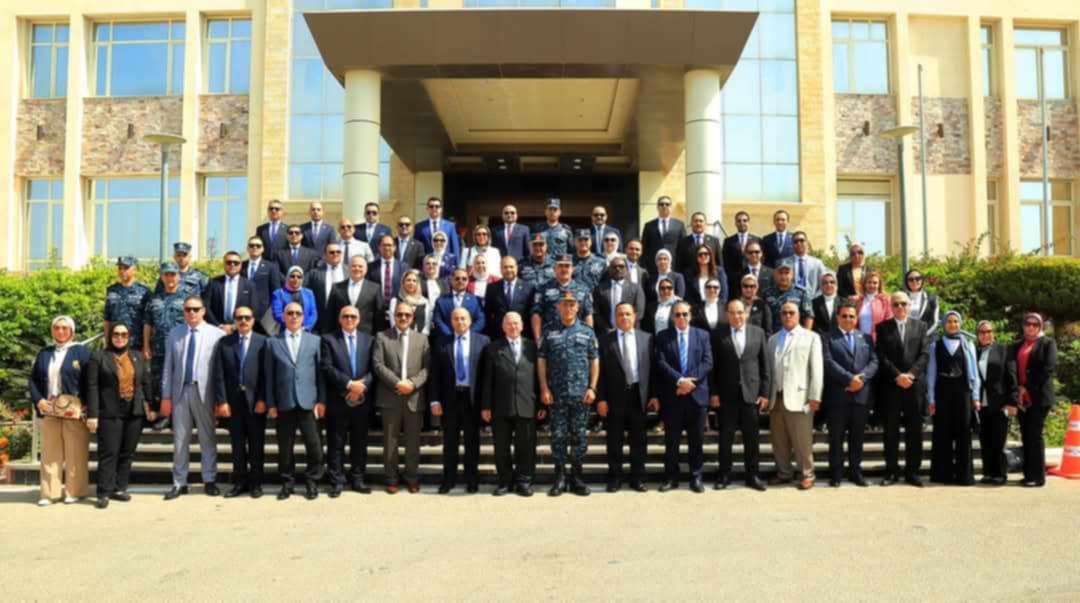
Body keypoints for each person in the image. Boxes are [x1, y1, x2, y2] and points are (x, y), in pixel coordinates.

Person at [159, 296, 226, 500]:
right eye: (188, 309)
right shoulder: (175, 333)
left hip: (205, 392)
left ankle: (209, 480)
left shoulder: (217, 334)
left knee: (208, 438)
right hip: (180, 392)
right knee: (180, 440)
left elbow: (220, 371)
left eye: (196, 309)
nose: (192, 313)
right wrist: (166, 396)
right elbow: (168, 367)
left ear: (203, 311)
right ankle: (179, 482)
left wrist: (220, 399)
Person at [538, 292, 599, 497]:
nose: (568, 308)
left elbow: (594, 360)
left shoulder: (587, 332)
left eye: (572, 304)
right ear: (558, 307)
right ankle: (560, 478)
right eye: (564, 304)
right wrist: (544, 388)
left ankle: (577, 477)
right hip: (556, 395)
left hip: (581, 394)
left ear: (578, 307)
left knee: (579, 437)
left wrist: (592, 387)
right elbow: (541, 361)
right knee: (558, 437)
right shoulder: (548, 331)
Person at [86, 322, 152, 509]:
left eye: (124, 334)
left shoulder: (137, 356)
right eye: (116, 334)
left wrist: (152, 406)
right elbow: (92, 387)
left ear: (129, 336)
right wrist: (92, 414)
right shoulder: (99, 357)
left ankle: (119, 488)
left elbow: (145, 383)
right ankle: (103, 492)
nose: (120, 338)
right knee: (109, 452)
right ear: (110, 336)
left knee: (127, 452)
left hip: (134, 411)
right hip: (109, 411)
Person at [264, 302, 326, 500]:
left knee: (314, 446)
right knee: (285, 448)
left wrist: (321, 400)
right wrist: (271, 403)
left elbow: (320, 374)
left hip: (309, 402)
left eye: (298, 313)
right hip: (284, 402)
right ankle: (287, 484)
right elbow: (269, 376)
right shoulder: (273, 342)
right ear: (283, 316)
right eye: (290, 313)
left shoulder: (315, 341)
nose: (294, 316)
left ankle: (312, 482)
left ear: (303, 316)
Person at [28, 316, 92, 507]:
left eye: (65, 328)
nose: (60, 331)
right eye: (57, 327)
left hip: (74, 410)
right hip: (49, 409)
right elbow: (33, 380)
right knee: (50, 454)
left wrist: (87, 404)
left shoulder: (81, 352)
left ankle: (75, 491)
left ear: (72, 331)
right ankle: (49, 493)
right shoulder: (44, 353)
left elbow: (90, 380)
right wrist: (39, 400)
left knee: (76, 452)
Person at [709, 298, 769, 491]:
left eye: (740, 312)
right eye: (733, 313)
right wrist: (713, 393)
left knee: (752, 439)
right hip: (726, 396)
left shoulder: (758, 333)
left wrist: (764, 393)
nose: (737, 316)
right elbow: (712, 367)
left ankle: (753, 476)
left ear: (746, 313)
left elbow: (765, 365)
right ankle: (724, 475)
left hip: (751, 395)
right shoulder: (718, 334)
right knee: (725, 439)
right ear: (727, 315)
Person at [480, 312, 542, 496]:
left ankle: (524, 481)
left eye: (516, 323)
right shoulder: (492, 348)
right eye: (509, 323)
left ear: (522, 325)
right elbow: (486, 380)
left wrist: (542, 405)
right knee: (501, 447)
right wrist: (486, 406)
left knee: (526, 447)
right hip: (501, 405)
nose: (513, 327)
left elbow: (540, 377)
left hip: (527, 404)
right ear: (503, 326)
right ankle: (505, 482)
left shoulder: (533, 347)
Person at [210, 305, 268, 499]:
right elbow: (218, 374)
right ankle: (239, 482)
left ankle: (256, 483)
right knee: (237, 444)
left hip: (255, 402)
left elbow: (266, 375)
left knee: (257, 444)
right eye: (239, 318)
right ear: (234, 321)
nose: (243, 321)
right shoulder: (225, 343)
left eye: (247, 318)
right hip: (233, 402)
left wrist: (262, 399)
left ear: (253, 320)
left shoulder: (263, 342)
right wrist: (222, 401)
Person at [654, 301, 712, 493]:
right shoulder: (663, 337)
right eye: (677, 314)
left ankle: (696, 477)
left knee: (696, 442)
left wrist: (689, 383)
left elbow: (707, 362)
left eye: (685, 314)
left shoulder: (702, 335)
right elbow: (660, 363)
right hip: (673, 397)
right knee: (672, 442)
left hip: (697, 397)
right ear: (672, 317)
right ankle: (671, 478)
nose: (681, 318)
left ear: (691, 315)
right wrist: (679, 381)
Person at [372, 302, 430, 493]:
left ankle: (412, 477)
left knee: (413, 442)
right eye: (399, 315)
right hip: (390, 397)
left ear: (412, 318)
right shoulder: (382, 337)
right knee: (390, 442)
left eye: (407, 315)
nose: (403, 318)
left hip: (414, 397)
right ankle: (391, 478)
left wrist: (412, 384)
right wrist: (398, 383)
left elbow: (427, 368)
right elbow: (378, 364)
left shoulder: (422, 339)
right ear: (393, 316)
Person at [430, 308, 490, 494]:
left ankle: (472, 479)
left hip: (472, 399)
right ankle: (448, 480)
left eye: (463, 318)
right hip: (450, 398)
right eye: (456, 318)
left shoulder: (483, 341)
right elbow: (435, 374)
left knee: (472, 442)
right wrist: (434, 400)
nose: (460, 322)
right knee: (450, 442)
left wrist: (486, 404)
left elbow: (487, 376)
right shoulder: (442, 342)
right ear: (451, 322)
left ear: (470, 321)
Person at [874, 291, 931, 487]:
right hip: (891, 386)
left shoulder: (921, 326)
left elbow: (924, 354)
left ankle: (912, 472)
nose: (900, 307)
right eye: (896, 304)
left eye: (903, 304)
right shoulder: (882, 327)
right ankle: (891, 472)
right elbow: (881, 356)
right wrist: (898, 376)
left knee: (914, 432)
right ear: (891, 306)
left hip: (914, 387)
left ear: (909, 305)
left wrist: (911, 375)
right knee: (891, 432)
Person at [596, 303, 654, 493]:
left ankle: (638, 478)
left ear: (635, 316)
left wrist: (653, 395)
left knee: (639, 441)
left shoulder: (646, 338)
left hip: (638, 396)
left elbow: (652, 369)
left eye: (628, 314)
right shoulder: (605, 340)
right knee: (614, 441)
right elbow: (600, 373)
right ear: (615, 317)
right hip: (614, 397)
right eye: (620, 314)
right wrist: (601, 399)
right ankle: (615, 478)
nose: (624, 317)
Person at [767, 301, 824, 490]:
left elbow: (817, 370)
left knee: (802, 441)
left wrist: (815, 396)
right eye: (784, 312)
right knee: (779, 441)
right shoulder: (772, 339)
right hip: (776, 397)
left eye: (791, 312)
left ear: (799, 315)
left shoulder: (811, 337)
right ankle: (784, 472)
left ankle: (807, 474)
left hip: (800, 398)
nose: (788, 316)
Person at [822, 301, 879, 487]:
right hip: (838, 397)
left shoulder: (866, 338)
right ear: (837, 317)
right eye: (844, 316)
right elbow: (828, 362)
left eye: (852, 316)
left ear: (856, 318)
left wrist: (861, 379)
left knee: (857, 438)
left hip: (861, 397)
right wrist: (849, 379)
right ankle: (836, 474)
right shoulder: (828, 338)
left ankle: (856, 473)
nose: (848, 319)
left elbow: (874, 361)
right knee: (836, 438)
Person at [320, 305, 375, 497]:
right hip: (338, 400)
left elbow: (374, 368)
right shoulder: (328, 339)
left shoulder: (369, 340)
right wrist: (349, 385)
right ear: (339, 319)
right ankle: (337, 481)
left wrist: (362, 386)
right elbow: (327, 367)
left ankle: (358, 479)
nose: (349, 319)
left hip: (362, 400)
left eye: (353, 316)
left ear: (358, 320)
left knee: (360, 443)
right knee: (336, 443)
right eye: (345, 316)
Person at [927, 311, 980, 486]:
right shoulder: (935, 346)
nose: (952, 324)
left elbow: (974, 374)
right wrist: (931, 399)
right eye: (949, 321)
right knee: (943, 434)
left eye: (955, 321)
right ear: (944, 324)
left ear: (960, 324)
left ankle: (964, 476)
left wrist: (975, 397)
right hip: (942, 394)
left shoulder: (968, 345)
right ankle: (944, 475)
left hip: (963, 394)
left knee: (963, 433)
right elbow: (931, 373)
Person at [1009, 312, 1057, 488]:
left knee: (1034, 435)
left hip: (1039, 397)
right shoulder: (1017, 345)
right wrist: (1017, 389)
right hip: (1021, 398)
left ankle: (1038, 477)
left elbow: (1048, 369)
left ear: (1040, 326)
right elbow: (1011, 369)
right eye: (1028, 324)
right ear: (1023, 326)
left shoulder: (1048, 343)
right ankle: (1028, 474)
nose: (1031, 327)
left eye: (1035, 324)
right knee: (1025, 434)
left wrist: (1027, 387)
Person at [142, 263, 188, 414]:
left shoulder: (186, 298)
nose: (170, 278)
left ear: (178, 276)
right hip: (158, 347)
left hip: (179, 346)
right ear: (162, 277)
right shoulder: (153, 299)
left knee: (179, 379)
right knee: (158, 380)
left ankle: (178, 414)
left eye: (173, 274)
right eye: (166, 274)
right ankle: (162, 414)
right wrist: (146, 346)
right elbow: (148, 323)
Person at [974, 320, 1016, 486]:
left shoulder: (1003, 350)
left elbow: (1011, 377)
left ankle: (1000, 473)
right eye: (982, 332)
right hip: (981, 402)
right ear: (978, 335)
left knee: (998, 439)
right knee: (985, 439)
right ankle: (988, 473)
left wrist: (1012, 401)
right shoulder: (975, 351)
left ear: (993, 333)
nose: (986, 335)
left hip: (1000, 402)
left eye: (989, 331)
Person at [531, 254, 594, 339]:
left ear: (572, 269)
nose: (564, 269)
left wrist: (588, 337)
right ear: (554, 269)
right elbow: (536, 314)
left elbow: (588, 314)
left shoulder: (583, 289)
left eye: (567, 266)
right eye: (560, 266)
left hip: (577, 338)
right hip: (551, 337)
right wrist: (538, 339)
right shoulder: (543, 289)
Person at [326, 255, 385, 337]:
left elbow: (379, 316)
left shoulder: (375, 288)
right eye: (354, 266)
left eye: (360, 266)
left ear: (366, 269)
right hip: (340, 336)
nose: (357, 268)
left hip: (366, 336)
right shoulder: (337, 287)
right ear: (348, 268)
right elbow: (330, 314)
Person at [202, 251, 255, 335]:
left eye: (236, 263)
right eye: (229, 262)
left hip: (240, 329)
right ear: (224, 264)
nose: (232, 265)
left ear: (241, 265)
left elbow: (253, 309)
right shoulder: (213, 282)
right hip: (216, 329)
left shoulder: (249, 285)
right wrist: (219, 326)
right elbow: (206, 306)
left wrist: (235, 326)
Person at [104, 256, 150, 353]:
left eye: (126, 268)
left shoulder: (144, 291)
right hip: (115, 343)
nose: (122, 271)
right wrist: (107, 342)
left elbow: (148, 321)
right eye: (120, 268)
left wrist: (146, 346)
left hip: (136, 344)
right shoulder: (112, 290)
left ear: (134, 270)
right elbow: (107, 319)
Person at [592, 256, 645, 336]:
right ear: (609, 270)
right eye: (614, 267)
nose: (618, 269)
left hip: (630, 332)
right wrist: (606, 328)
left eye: (621, 266)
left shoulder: (636, 288)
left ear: (626, 269)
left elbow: (639, 312)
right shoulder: (599, 289)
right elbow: (596, 312)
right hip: (607, 334)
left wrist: (626, 327)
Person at [485, 256, 536, 340]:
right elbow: (487, 313)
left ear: (517, 268)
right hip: (499, 336)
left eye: (511, 267)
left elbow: (532, 314)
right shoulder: (492, 288)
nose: (508, 270)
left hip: (523, 336)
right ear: (500, 269)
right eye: (505, 267)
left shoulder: (529, 288)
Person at [241, 236, 283, 331]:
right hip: (243, 313)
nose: (255, 247)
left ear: (263, 249)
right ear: (247, 248)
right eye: (251, 245)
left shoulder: (271, 267)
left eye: (258, 245)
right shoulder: (241, 266)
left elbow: (276, 291)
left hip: (264, 315)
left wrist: (273, 314)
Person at [305, 242, 347, 333]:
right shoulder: (314, 273)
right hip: (322, 320)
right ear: (325, 255)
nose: (335, 254)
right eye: (332, 252)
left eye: (338, 252)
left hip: (345, 318)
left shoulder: (349, 271)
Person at [434, 268, 486, 340]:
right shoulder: (441, 301)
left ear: (468, 281)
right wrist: (450, 335)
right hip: (447, 340)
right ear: (451, 280)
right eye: (457, 278)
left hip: (469, 340)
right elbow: (438, 320)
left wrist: (468, 334)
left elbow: (480, 320)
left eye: (464, 279)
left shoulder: (476, 300)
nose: (460, 281)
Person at [762, 260, 813, 332]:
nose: (783, 276)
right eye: (780, 273)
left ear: (792, 275)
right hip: (773, 334)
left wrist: (806, 334)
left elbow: (808, 316)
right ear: (775, 275)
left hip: (795, 334)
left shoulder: (801, 292)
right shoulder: (767, 293)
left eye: (787, 273)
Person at [641, 195, 685, 267]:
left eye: (667, 204)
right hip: (653, 266)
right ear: (657, 207)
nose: (664, 206)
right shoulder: (649, 226)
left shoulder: (679, 225)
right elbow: (644, 247)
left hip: (674, 265)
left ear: (671, 207)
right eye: (661, 204)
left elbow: (683, 246)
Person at [721, 210, 760, 290]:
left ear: (748, 222)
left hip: (753, 280)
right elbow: (725, 262)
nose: (742, 223)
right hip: (734, 282)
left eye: (744, 220)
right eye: (739, 221)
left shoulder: (757, 240)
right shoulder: (728, 241)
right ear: (735, 223)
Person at [271, 266, 317, 331]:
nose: (296, 279)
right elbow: (277, 314)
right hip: (286, 330)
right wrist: (293, 326)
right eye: (292, 276)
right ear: (287, 277)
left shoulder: (309, 293)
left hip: (305, 331)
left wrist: (306, 327)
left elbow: (313, 314)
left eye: (299, 277)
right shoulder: (278, 293)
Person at [683, 244, 728, 308]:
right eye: (700, 254)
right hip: (697, 308)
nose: (703, 256)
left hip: (716, 307)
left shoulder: (719, 271)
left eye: (706, 254)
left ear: (710, 255)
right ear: (696, 257)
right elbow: (688, 295)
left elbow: (724, 293)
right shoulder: (689, 273)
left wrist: (720, 307)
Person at [390, 270, 433, 336]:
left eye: (414, 281)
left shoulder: (425, 302)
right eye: (408, 280)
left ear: (418, 284)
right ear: (403, 283)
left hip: (420, 338)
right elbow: (393, 323)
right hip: (399, 337)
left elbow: (427, 326)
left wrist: (418, 338)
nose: (411, 283)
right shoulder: (395, 301)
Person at [854, 268, 892, 342]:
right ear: (865, 284)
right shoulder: (858, 301)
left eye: (875, 283)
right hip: (860, 340)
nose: (872, 285)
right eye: (869, 282)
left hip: (879, 341)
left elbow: (889, 322)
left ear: (879, 284)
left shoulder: (885, 300)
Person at [367, 235, 405, 304]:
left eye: (389, 245)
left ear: (395, 247)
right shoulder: (370, 267)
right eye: (384, 245)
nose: (387, 248)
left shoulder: (404, 267)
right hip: (376, 305)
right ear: (379, 247)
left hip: (397, 305)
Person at [790, 231, 825, 296]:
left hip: (812, 299)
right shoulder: (784, 263)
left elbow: (824, 284)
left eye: (801, 240)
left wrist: (814, 299)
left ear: (807, 243)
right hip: (790, 300)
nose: (799, 243)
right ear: (792, 245)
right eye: (795, 241)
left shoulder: (817, 263)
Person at [811, 270, 840, 336]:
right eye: (825, 282)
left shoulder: (844, 302)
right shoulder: (814, 303)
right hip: (820, 338)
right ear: (821, 286)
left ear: (836, 285)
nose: (829, 285)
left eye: (832, 282)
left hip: (839, 338)